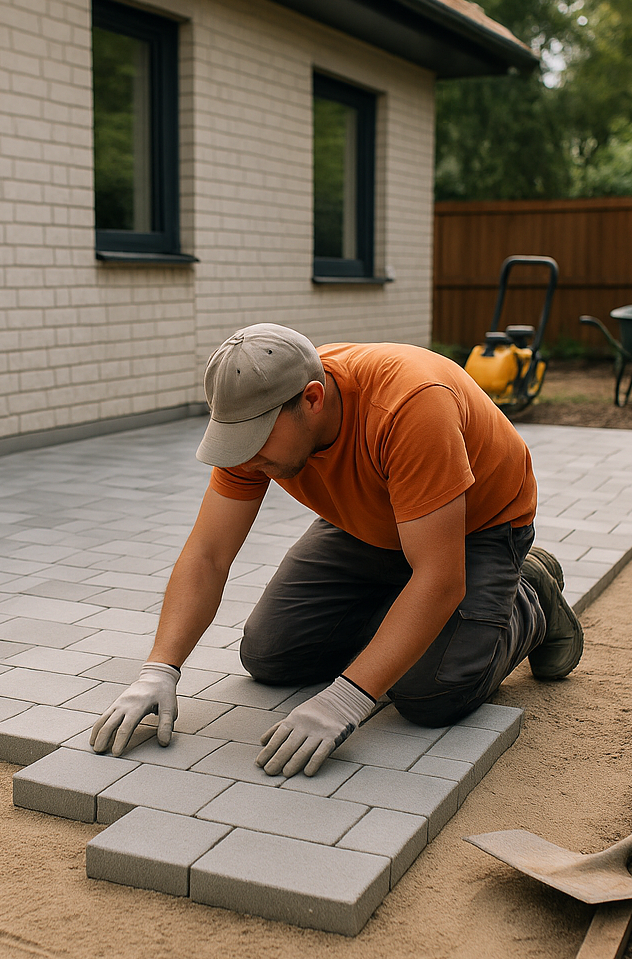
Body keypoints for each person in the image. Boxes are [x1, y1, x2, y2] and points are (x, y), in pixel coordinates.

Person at [90, 323, 582, 777]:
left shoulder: (410, 406)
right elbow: (208, 555)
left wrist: (346, 700)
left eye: (259, 442)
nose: (249, 458)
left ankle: (529, 594)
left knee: (431, 693)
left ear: (312, 399)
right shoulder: (251, 425)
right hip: (372, 523)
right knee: (270, 656)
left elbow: (439, 577)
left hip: (477, 526)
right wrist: (160, 668)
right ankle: (413, 617)